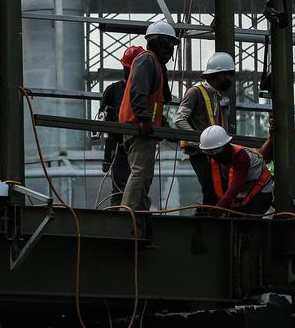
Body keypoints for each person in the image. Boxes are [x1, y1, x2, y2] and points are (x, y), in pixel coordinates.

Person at [119, 20, 179, 211]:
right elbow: (138, 92)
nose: (170, 53)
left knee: (145, 174)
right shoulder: (147, 60)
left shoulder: (154, 64)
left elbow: (154, 103)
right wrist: (145, 120)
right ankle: (127, 213)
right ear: (158, 42)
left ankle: (140, 210)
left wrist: (163, 128)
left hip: (143, 127)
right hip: (138, 126)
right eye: (168, 46)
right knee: (140, 172)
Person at [174, 51, 236, 211]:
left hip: (214, 151)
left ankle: (210, 216)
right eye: (229, 74)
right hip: (200, 152)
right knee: (211, 188)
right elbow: (179, 119)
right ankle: (206, 219)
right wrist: (199, 141)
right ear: (218, 74)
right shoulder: (195, 92)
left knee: (218, 189)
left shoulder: (217, 95)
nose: (231, 79)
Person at [199, 125, 273, 215]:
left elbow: (236, 185)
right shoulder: (216, 158)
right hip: (244, 192)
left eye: (214, 151)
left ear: (225, 146)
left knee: (249, 222)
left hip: (261, 191)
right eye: (209, 152)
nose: (212, 155)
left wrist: (219, 208)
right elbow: (213, 185)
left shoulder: (242, 157)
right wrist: (209, 208)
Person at [100, 46, 141, 207]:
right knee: (119, 190)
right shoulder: (113, 91)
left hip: (138, 146)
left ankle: (131, 219)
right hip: (120, 146)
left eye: (129, 69)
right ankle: (119, 222)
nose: (127, 72)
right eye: (126, 69)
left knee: (137, 189)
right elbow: (102, 119)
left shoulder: (144, 91)